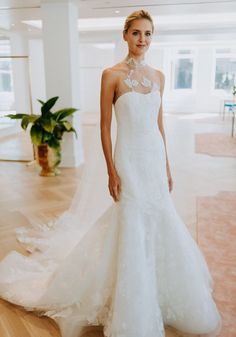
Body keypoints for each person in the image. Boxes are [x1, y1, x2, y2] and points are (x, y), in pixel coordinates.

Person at [0, 9, 222, 337]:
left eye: (148, 34)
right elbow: (105, 126)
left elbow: (158, 124)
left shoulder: (159, 77)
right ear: (125, 35)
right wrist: (111, 171)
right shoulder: (111, 75)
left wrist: (167, 165)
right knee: (131, 219)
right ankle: (131, 299)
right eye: (136, 33)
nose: (142, 40)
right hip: (129, 158)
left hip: (153, 158)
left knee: (160, 217)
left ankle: (159, 288)